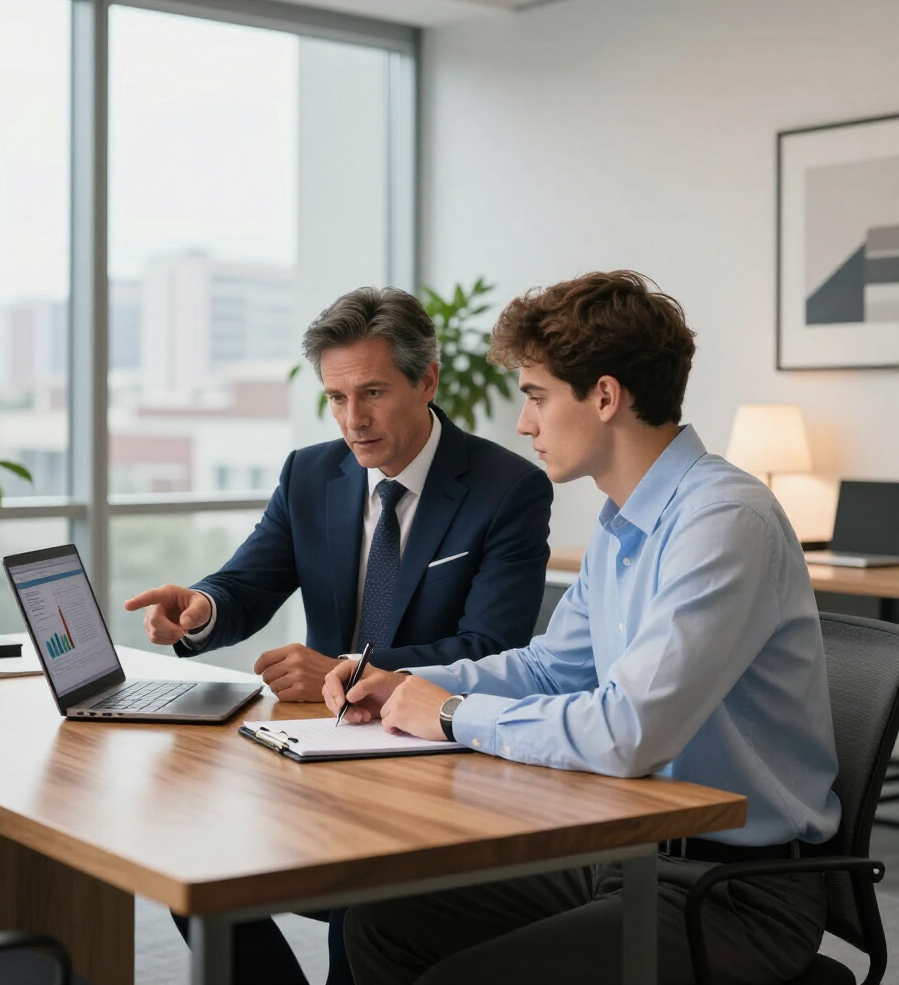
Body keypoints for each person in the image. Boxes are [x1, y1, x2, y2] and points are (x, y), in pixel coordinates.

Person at [324, 270, 841, 985]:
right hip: (625, 857)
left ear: (604, 397)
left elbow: (627, 733)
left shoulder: (725, 521)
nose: (523, 422)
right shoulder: (621, 522)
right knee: (380, 923)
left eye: (536, 395)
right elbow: (548, 668)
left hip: (731, 891)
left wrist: (447, 714)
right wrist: (402, 683)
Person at [125, 285, 553, 985]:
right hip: (317, 756)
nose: (353, 420)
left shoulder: (507, 489)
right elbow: (248, 582)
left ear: (427, 380)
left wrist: (347, 667)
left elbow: (492, 648)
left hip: (437, 769)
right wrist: (202, 607)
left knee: (365, 918)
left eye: (374, 393)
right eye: (335, 397)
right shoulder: (310, 474)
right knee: (195, 879)